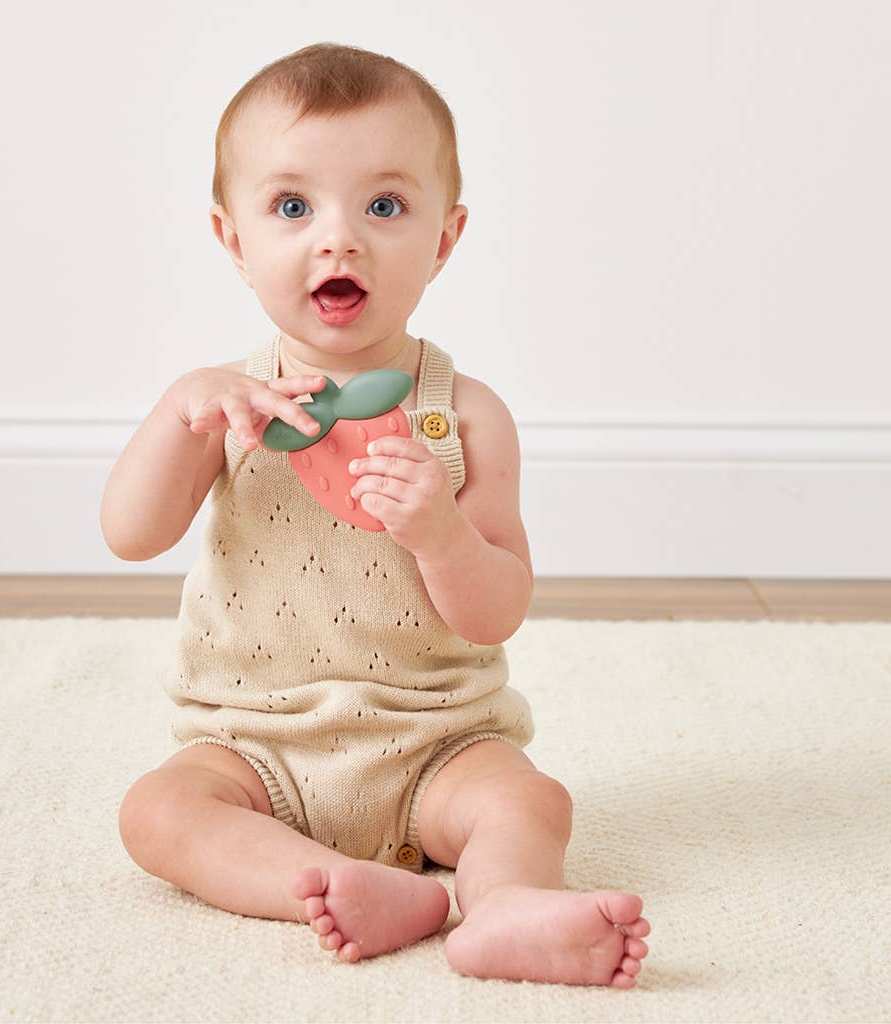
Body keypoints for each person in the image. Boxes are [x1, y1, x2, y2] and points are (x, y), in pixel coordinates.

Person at [101, 42, 650, 987]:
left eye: (385, 207)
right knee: (157, 812)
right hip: (253, 745)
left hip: (436, 743)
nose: (338, 239)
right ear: (235, 241)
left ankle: (507, 902)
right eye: (292, 207)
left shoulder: (463, 415)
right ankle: (339, 882)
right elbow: (130, 533)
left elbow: (497, 609)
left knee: (530, 801)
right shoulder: (228, 407)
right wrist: (177, 412)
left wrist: (440, 532)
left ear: (444, 240)